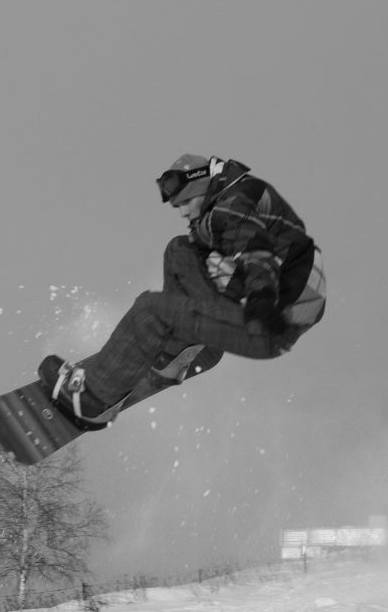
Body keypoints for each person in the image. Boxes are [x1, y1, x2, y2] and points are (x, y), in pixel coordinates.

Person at [41, 153, 325, 427]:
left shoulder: (232, 207)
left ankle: (94, 398)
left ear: (202, 183)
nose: (184, 211)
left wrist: (262, 298)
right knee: (180, 250)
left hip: (270, 320)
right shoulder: (228, 200)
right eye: (178, 206)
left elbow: (256, 254)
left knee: (151, 310)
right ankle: (174, 358)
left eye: (187, 200)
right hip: (279, 302)